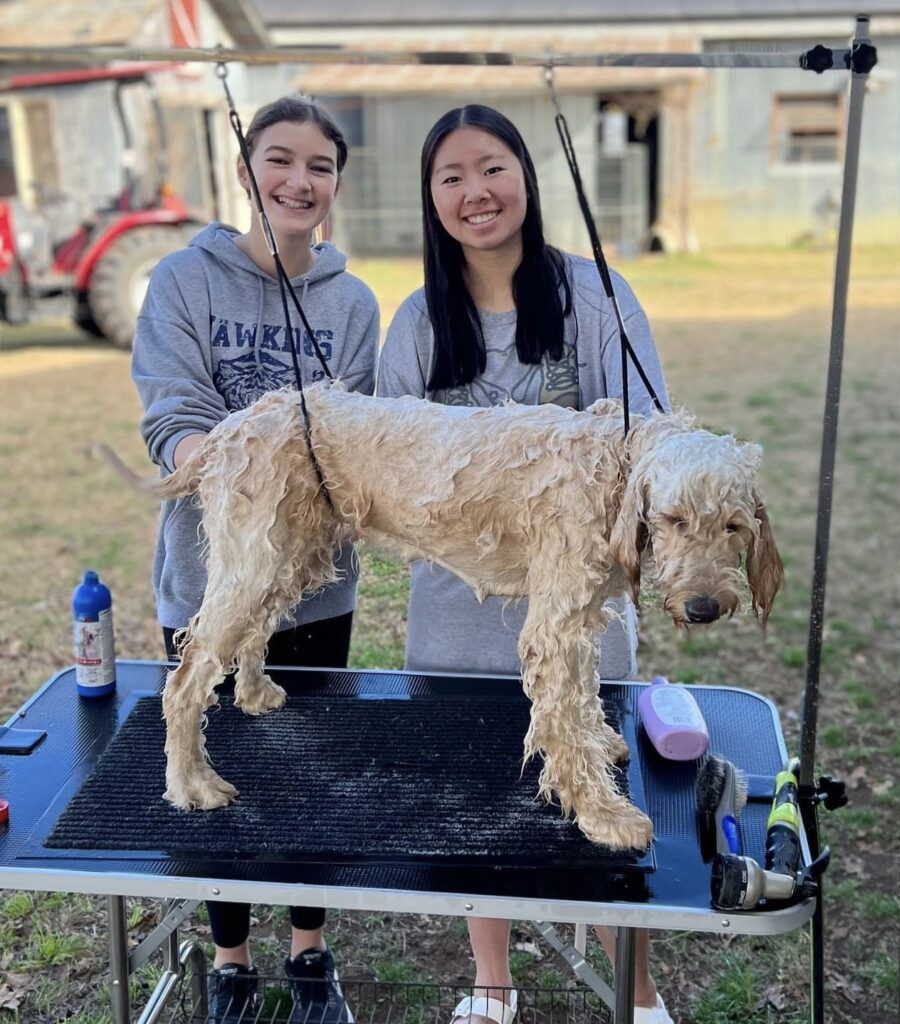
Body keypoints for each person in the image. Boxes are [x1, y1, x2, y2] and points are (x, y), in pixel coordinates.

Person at [377, 105, 673, 1024]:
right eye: (451, 177)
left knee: (601, 800)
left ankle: (635, 984)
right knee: (479, 804)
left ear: (527, 178)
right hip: (455, 615)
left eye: (492, 168)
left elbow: (646, 438)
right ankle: (491, 980)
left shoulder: (597, 296)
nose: (476, 193)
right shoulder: (420, 318)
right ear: (431, 199)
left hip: (583, 615)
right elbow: (391, 457)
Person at [132, 95, 379, 1024]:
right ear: (246, 170)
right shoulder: (182, 282)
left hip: (316, 591)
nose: (298, 181)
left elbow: (358, 427)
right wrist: (242, 474)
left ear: (336, 185)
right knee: (212, 770)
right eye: (280, 160)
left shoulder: (354, 303)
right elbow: (173, 412)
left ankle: (311, 956)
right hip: (210, 575)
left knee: (309, 774)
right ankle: (232, 960)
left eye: (318, 167)